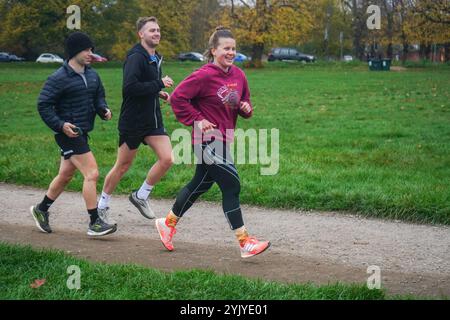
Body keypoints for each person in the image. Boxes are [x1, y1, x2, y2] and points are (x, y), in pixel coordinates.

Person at [155, 27, 270, 258]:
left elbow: (243, 102)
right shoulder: (204, 75)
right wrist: (198, 120)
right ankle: (244, 242)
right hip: (207, 140)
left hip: (224, 139)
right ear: (214, 50)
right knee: (231, 184)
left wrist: (246, 108)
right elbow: (178, 98)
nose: (231, 52)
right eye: (226, 48)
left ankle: (167, 223)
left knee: (200, 184)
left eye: (234, 49)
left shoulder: (239, 75)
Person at [31, 32, 116, 237]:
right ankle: (95, 222)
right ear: (74, 51)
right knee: (92, 173)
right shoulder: (58, 78)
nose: (90, 54)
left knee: (66, 175)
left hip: (83, 132)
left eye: (92, 50)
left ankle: (41, 209)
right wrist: (60, 125)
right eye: (86, 50)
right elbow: (43, 105)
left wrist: (103, 110)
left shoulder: (92, 75)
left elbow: (98, 98)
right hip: (68, 134)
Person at [97, 16, 174, 223]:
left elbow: (146, 84)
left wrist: (159, 92)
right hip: (133, 121)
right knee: (122, 166)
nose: (156, 33)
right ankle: (102, 205)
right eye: (151, 30)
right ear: (141, 34)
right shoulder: (135, 57)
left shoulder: (156, 56)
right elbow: (129, 88)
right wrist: (158, 84)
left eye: (158, 30)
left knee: (167, 159)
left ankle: (140, 196)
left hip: (152, 121)